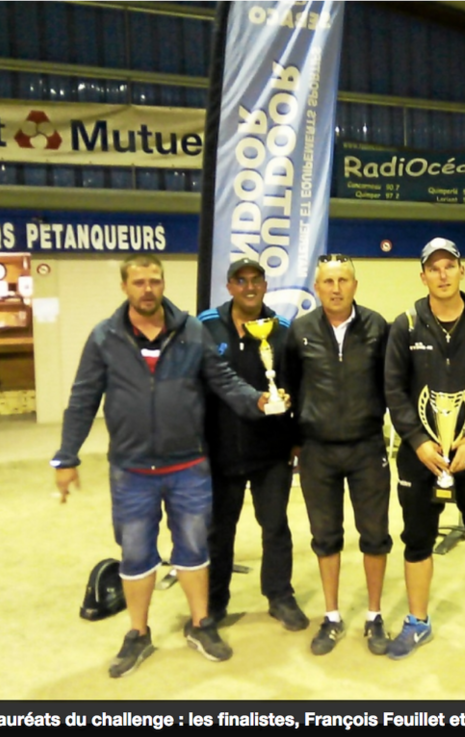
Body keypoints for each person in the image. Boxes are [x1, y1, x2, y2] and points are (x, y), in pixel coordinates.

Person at [52, 255, 277, 678]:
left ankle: (201, 624)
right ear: (125, 287)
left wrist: (258, 400)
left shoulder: (191, 330)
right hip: (132, 470)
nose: (147, 289)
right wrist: (66, 456)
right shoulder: (104, 337)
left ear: (163, 284)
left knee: (194, 550)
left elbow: (223, 379)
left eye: (154, 281)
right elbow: (82, 399)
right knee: (136, 556)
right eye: (139, 282)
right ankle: (138, 633)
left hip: (187, 466)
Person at [384, 238, 465, 666]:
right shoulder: (405, 326)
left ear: (462, 271)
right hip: (420, 455)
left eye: (449, 266)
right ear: (422, 276)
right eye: (433, 268)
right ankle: (417, 621)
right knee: (416, 539)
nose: (442, 275)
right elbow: (393, 390)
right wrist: (417, 440)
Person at [284, 255, 392, 656]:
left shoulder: (377, 327)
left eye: (343, 280)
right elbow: (289, 388)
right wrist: (295, 442)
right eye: (328, 281)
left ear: (354, 286)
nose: (335, 288)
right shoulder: (299, 331)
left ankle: (374, 615)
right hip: (318, 451)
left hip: (367, 447)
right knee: (325, 537)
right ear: (317, 288)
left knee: (375, 535)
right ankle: (331, 616)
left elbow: (390, 384)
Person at [197, 257, 308, 631]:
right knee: (218, 531)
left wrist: (296, 437)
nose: (249, 287)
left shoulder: (283, 330)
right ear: (229, 286)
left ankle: (280, 596)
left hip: (270, 450)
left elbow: (296, 385)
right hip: (220, 450)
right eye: (240, 280)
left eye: (256, 280)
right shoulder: (205, 325)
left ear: (265, 285)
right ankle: (214, 602)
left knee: (275, 527)